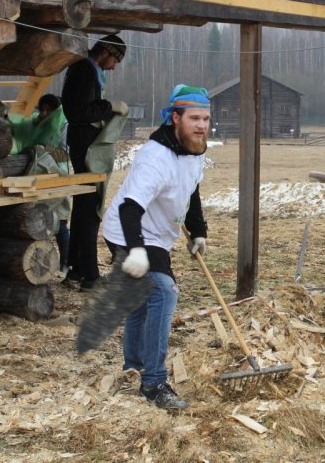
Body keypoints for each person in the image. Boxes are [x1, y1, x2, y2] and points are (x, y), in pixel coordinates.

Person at [101, 84, 211, 411]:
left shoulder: (195, 149)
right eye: (194, 119)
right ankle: (154, 382)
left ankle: (133, 365)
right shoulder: (155, 157)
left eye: (205, 119)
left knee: (141, 299)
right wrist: (135, 251)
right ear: (175, 117)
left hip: (158, 235)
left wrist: (199, 231)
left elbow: (191, 191)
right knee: (164, 291)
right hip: (128, 232)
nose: (201, 126)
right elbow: (130, 208)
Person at [61, 34, 129, 290]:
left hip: (82, 144)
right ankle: (89, 275)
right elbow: (79, 112)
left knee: (83, 208)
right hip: (87, 147)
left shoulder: (83, 69)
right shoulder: (86, 70)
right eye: (114, 61)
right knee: (90, 211)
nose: (113, 67)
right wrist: (109, 107)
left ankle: (77, 270)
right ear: (106, 52)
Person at [35, 93, 72, 279]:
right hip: (40, 175)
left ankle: (67, 263)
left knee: (60, 222)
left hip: (59, 175)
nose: (44, 113)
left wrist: (43, 150)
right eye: (42, 110)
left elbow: (65, 153)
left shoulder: (65, 125)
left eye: (48, 110)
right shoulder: (39, 123)